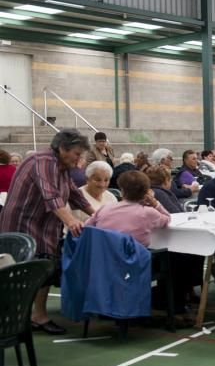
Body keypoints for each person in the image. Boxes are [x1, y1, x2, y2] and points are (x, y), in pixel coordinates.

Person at [0, 129, 95, 334]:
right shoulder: (42, 162)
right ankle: (13, 315)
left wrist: (98, 215)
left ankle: (38, 316)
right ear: (62, 148)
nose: (79, 159)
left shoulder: (62, 166)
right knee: (18, 272)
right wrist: (71, 221)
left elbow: (74, 194)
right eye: (77, 154)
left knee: (45, 268)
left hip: (45, 224)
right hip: (22, 224)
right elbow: (51, 196)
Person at [85, 170, 170, 247]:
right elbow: (167, 219)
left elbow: (87, 226)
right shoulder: (148, 213)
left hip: (105, 257)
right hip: (134, 260)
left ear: (122, 190)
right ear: (146, 191)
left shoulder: (104, 208)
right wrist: (155, 204)